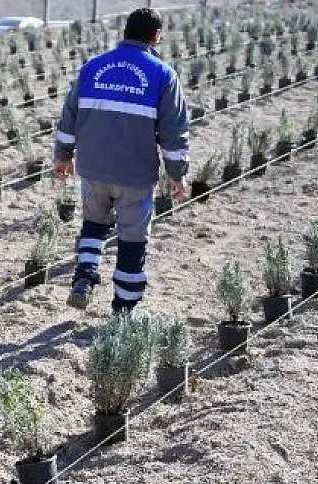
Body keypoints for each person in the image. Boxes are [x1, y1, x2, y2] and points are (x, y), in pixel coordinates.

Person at [54, 7, 190, 313]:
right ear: (156, 37)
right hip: (135, 175)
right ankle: (123, 311)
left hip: (93, 168)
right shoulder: (163, 75)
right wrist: (177, 174)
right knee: (132, 240)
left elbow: (69, 117)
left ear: (125, 32)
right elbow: (174, 132)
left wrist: (63, 156)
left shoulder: (92, 67)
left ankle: (85, 274)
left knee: (93, 224)